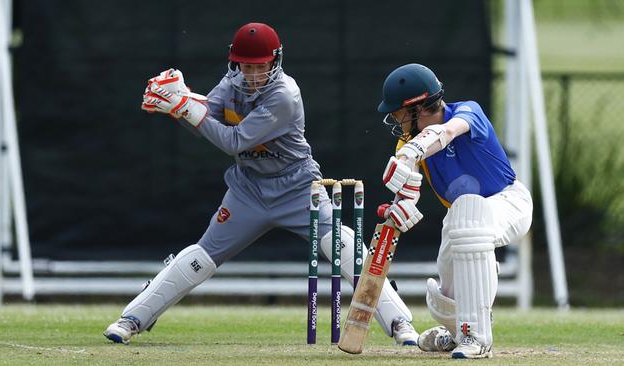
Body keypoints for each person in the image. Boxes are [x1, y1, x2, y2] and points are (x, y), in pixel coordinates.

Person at [104, 22, 419, 346]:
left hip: (297, 187)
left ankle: (400, 324)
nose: (253, 74)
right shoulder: (231, 83)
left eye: (260, 67)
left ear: (275, 61)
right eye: (247, 66)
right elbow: (207, 121)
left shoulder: (284, 94)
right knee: (202, 258)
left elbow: (233, 141)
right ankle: (131, 318)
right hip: (248, 190)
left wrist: (183, 106)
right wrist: (179, 105)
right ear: (235, 63)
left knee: (341, 245)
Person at [377, 64, 533, 359]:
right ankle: (456, 331)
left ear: (418, 107)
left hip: (508, 202)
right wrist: (402, 206)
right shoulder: (407, 143)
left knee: (468, 213)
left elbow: (449, 130)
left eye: (398, 111)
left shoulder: (466, 112)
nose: (395, 119)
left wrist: (417, 149)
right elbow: (408, 190)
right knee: (445, 296)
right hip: (461, 221)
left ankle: (477, 337)